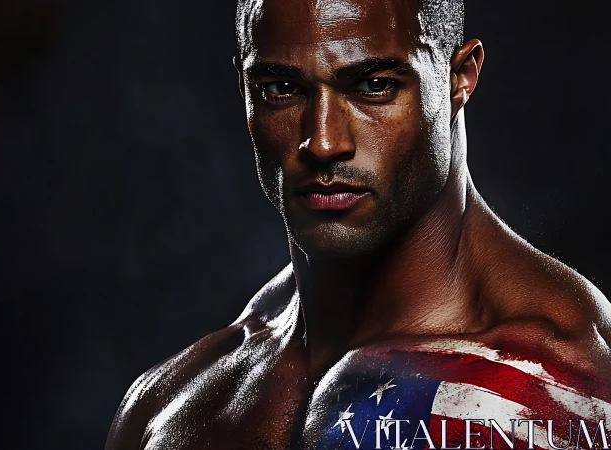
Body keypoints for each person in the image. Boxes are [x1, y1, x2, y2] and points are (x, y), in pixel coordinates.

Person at [105, 0, 611, 448]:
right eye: (282, 89)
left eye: (374, 86)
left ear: (460, 77)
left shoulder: (555, 387)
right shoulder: (170, 401)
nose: (323, 143)